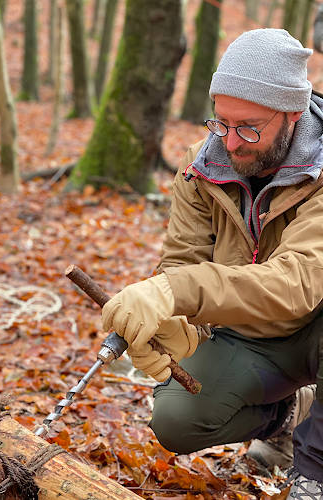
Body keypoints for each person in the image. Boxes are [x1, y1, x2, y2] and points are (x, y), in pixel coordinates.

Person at [100, 29, 323, 497]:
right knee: (179, 419)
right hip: (255, 337)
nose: (232, 142)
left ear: (294, 115)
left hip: (314, 325)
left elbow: (297, 283)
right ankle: (288, 416)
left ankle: (314, 471)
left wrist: (177, 292)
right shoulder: (202, 166)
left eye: (249, 127)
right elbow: (182, 262)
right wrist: (174, 323)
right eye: (221, 122)